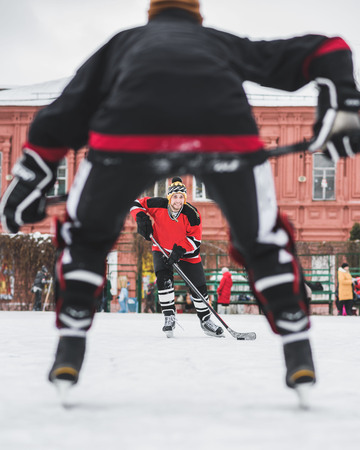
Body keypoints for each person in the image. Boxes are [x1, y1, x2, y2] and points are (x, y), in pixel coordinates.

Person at [1, 0, 360, 398]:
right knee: (261, 240)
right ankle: (297, 348)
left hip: (128, 135)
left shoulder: (125, 43)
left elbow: (65, 110)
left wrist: (30, 180)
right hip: (224, 134)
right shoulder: (218, 43)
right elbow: (329, 49)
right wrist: (343, 102)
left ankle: (70, 344)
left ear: (151, 13)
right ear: (198, 14)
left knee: (86, 236)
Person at [130, 176, 224, 338]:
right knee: (163, 279)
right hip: (161, 248)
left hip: (187, 253)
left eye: (181, 197)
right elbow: (136, 203)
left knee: (198, 286)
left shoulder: (192, 213)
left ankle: (206, 321)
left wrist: (179, 251)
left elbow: (195, 240)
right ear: (169, 197)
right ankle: (169, 317)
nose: (178, 200)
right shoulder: (158, 204)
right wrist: (140, 218)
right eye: (175, 196)